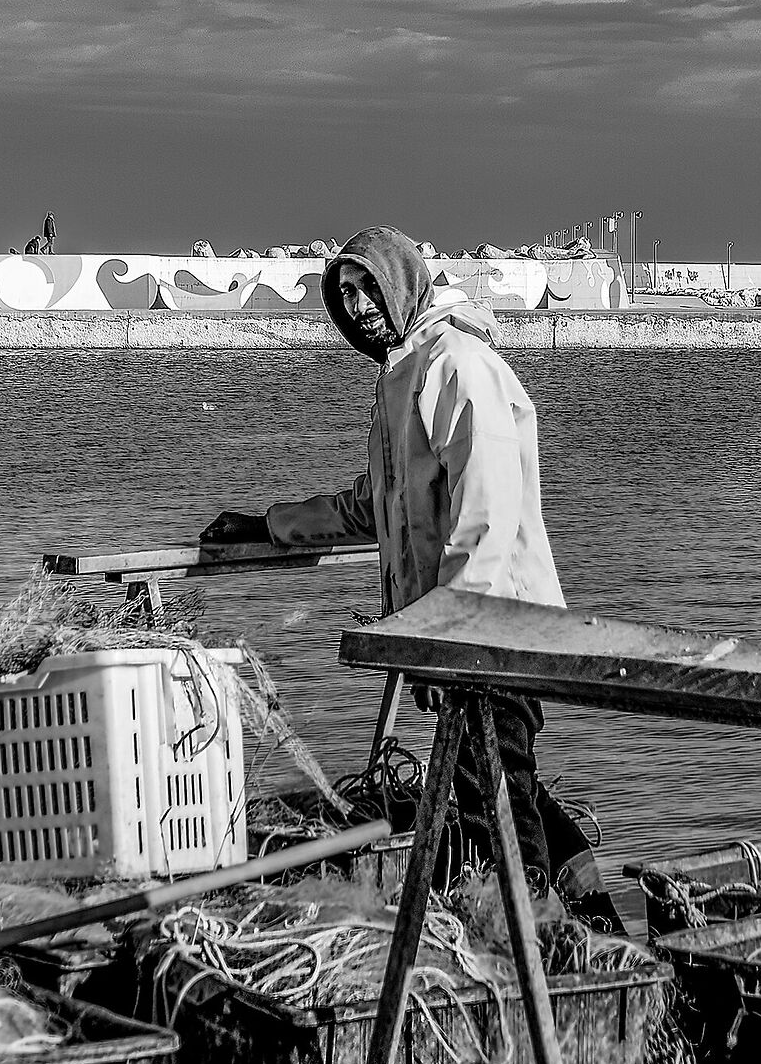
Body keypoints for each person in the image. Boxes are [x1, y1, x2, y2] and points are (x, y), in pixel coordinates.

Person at [201, 226, 620, 930]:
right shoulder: (403, 376)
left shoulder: (457, 365)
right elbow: (378, 505)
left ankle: (527, 937)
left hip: (497, 626)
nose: (359, 305)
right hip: (458, 632)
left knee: (493, 790)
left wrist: (445, 633)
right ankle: (591, 911)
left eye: (368, 287)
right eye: (345, 296)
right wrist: (268, 524)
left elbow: (483, 517)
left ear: (401, 283)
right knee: (501, 774)